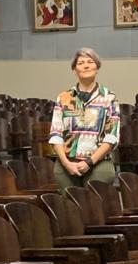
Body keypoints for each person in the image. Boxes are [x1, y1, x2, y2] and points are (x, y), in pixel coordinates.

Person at [49, 48, 119, 191]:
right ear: (75, 70)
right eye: (80, 63)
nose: (86, 66)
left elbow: (112, 136)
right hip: (66, 164)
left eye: (90, 62)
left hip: (98, 164)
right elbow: (56, 135)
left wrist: (89, 162)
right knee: (70, 204)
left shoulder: (109, 97)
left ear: (97, 67)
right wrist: (66, 163)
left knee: (95, 202)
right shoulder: (64, 98)